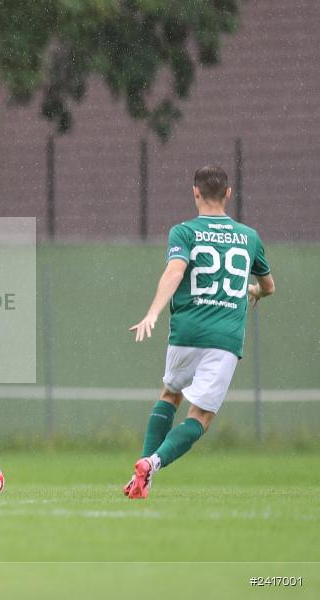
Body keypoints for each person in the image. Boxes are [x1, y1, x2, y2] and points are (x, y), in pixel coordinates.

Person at [125, 165, 274, 499]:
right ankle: (152, 464)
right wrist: (256, 291)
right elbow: (269, 284)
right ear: (228, 194)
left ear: (194, 192)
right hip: (224, 340)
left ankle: (141, 474)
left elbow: (175, 272)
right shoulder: (249, 237)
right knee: (201, 417)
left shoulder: (184, 231)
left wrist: (153, 312)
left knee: (170, 394)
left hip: (186, 333)